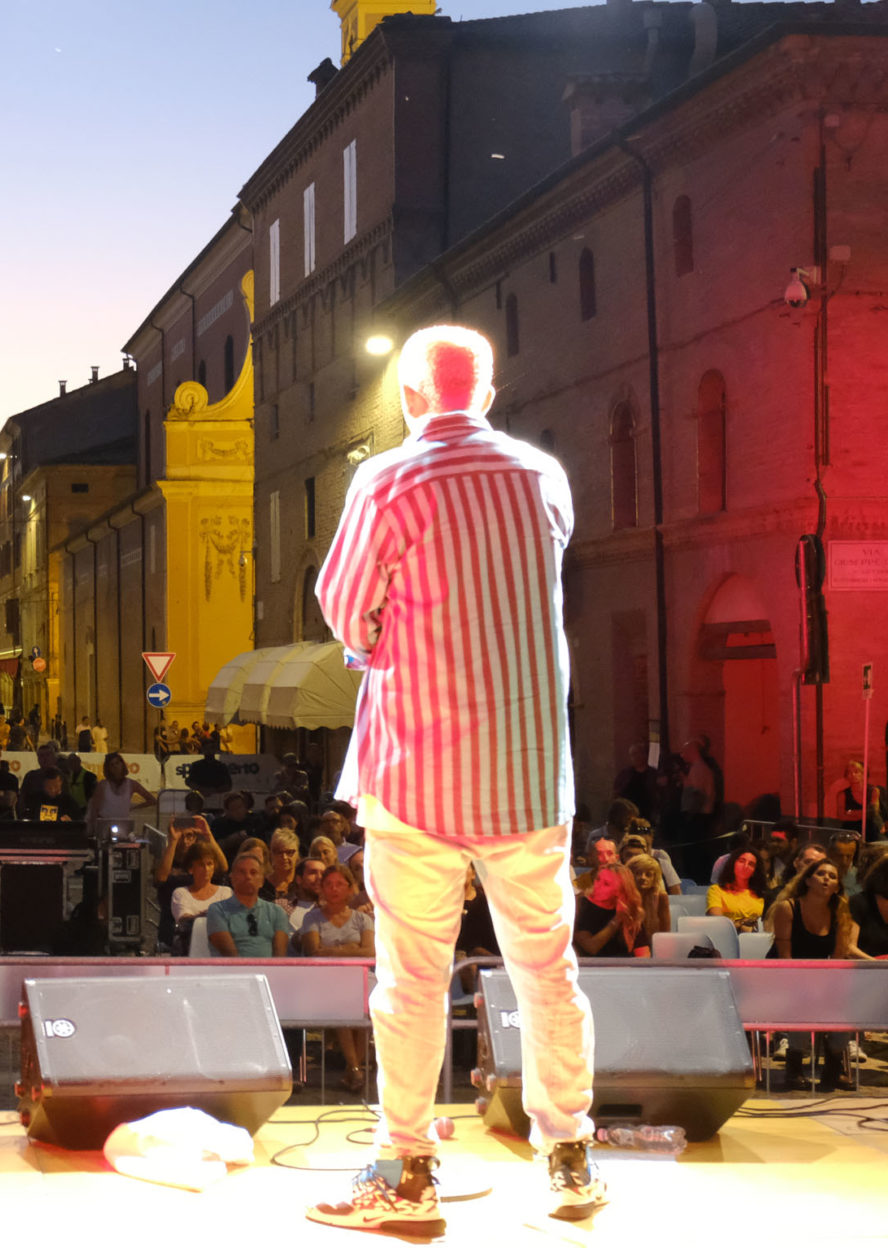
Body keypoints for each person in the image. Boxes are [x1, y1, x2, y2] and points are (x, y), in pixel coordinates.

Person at [308, 325, 601, 1232]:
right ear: (488, 391)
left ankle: (406, 1170)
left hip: (418, 774)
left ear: (408, 397)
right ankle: (570, 1156)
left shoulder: (386, 479)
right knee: (548, 969)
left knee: (410, 979)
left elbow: (345, 609)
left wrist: (376, 642)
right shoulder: (542, 477)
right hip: (526, 776)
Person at [768, 859, 862, 1088]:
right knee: (802, 1001)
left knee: (848, 1007)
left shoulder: (840, 912)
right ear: (808, 880)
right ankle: (794, 1069)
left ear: (838, 886)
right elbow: (785, 958)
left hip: (821, 977)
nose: (827, 879)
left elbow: (839, 960)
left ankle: (833, 1069)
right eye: (821, 874)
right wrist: (809, 986)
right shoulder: (788, 907)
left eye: (832, 876)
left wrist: (830, 989)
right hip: (785, 975)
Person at [298, 863, 376, 1092]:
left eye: (339, 884)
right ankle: (355, 1070)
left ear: (350, 888)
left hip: (360, 974)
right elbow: (314, 951)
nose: (334, 889)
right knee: (345, 1004)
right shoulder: (311, 918)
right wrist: (351, 948)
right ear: (321, 888)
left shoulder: (363, 920)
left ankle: (353, 1072)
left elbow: (370, 952)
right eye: (329, 884)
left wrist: (334, 950)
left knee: (366, 1008)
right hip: (326, 977)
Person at [205, 851, 291, 958]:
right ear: (232, 878)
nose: (248, 876)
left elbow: (280, 957)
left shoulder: (277, 912)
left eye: (253, 872)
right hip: (232, 972)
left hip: (269, 973)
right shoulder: (217, 910)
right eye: (242, 872)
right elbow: (230, 955)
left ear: (262, 881)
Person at [168, 840, 232, 952]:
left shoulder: (226, 892)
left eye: (209, 864)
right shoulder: (180, 893)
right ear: (191, 869)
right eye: (201, 865)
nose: (206, 869)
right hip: (189, 949)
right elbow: (185, 921)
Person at [573, 858, 644, 958]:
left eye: (606, 884)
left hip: (625, 967)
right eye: (598, 880)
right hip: (592, 967)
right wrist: (616, 921)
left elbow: (641, 949)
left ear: (620, 889)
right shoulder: (581, 905)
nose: (598, 886)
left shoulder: (630, 908)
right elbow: (591, 947)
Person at [85, 752, 154, 830]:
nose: (115, 767)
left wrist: (134, 807)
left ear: (122, 764)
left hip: (123, 826)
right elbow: (94, 808)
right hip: (104, 825)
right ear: (108, 768)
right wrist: (93, 827)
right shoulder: (103, 785)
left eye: (117, 763)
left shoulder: (132, 784)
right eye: (112, 765)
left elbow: (151, 800)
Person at [707, 849, 767, 933]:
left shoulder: (761, 893)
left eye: (751, 864)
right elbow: (718, 920)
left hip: (756, 936)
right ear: (733, 864)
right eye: (742, 861)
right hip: (727, 935)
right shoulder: (716, 890)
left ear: (754, 871)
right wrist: (741, 925)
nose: (745, 866)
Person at [18, 767, 84, 822]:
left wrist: (70, 822)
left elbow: (79, 821)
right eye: (49, 787)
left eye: (55, 786)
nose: (52, 790)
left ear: (61, 783)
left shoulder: (69, 802)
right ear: (43, 784)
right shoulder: (35, 799)